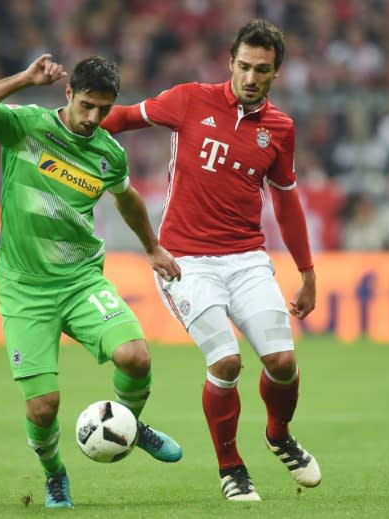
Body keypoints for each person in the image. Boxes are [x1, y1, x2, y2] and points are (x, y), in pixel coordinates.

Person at [101, 19, 321, 501]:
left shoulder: (280, 129)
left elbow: (285, 200)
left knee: (282, 361)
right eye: (243, 66)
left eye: (261, 70)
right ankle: (231, 467)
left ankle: (279, 434)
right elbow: (121, 118)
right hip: (184, 259)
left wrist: (306, 272)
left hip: (246, 257)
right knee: (225, 361)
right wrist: (68, 123)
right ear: (230, 63)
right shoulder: (189, 99)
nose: (250, 77)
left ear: (275, 74)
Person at [0, 54, 183, 509]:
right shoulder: (26, 127)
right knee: (43, 406)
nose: (94, 118)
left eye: (104, 109)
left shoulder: (108, 153)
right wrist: (24, 78)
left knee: (135, 356)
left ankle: (130, 426)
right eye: (86, 106)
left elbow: (128, 199)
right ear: (68, 94)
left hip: (81, 280)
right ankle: (54, 473)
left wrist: (152, 246)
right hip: (25, 290)